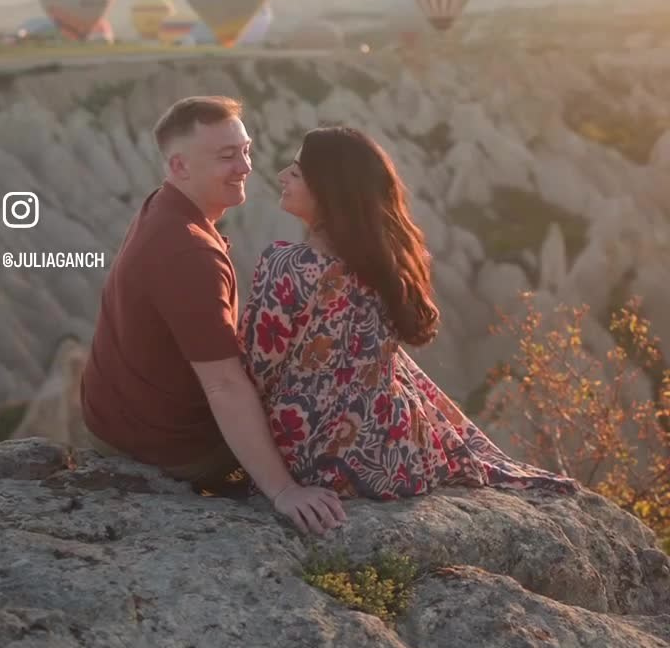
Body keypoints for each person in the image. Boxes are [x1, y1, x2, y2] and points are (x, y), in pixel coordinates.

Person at [238, 126, 581, 501]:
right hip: (397, 457)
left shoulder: (286, 265)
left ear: (328, 191)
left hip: (304, 458)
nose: (282, 176)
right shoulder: (386, 269)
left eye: (296, 172)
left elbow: (257, 369)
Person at [80, 95, 347, 538]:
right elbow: (224, 385)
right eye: (227, 156)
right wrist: (284, 490)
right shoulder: (188, 252)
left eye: (246, 150)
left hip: (118, 421)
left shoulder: (162, 206)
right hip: (171, 449)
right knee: (327, 439)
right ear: (180, 166)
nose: (245, 166)